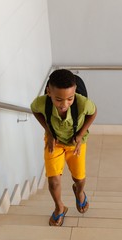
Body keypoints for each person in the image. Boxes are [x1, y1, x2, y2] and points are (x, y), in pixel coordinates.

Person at [31, 69, 97, 226]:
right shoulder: (42, 102)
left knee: (79, 179)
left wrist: (80, 135)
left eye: (70, 98)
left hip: (75, 144)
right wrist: (48, 131)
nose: (64, 104)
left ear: (75, 92)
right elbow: (34, 110)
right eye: (58, 99)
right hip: (54, 143)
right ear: (49, 92)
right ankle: (59, 208)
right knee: (53, 181)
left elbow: (93, 113)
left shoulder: (82, 103)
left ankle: (79, 191)